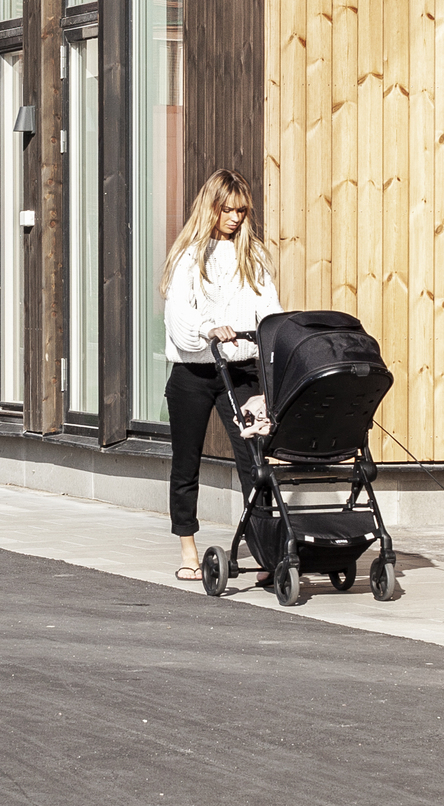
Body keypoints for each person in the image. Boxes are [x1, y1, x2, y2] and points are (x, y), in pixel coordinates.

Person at [161, 168, 280, 582]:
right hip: (193, 373)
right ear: (210, 207)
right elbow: (179, 319)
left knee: (255, 462)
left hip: (241, 372)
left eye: (241, 211)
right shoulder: (189, 257)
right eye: (226, 209)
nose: (234, 218)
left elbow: (270, 311)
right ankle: (188, 550)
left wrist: (277, 336)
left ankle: (268, 552)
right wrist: (206, 329)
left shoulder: (255, 256)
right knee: (186, 464)